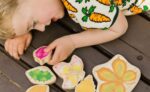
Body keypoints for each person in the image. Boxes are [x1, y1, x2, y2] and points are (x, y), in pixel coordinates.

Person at [1, 0, 149, 64]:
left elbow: (118, 27)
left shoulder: (83, 6)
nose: (42, 28)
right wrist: (21, 30)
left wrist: (72, 42)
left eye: (33, 23)